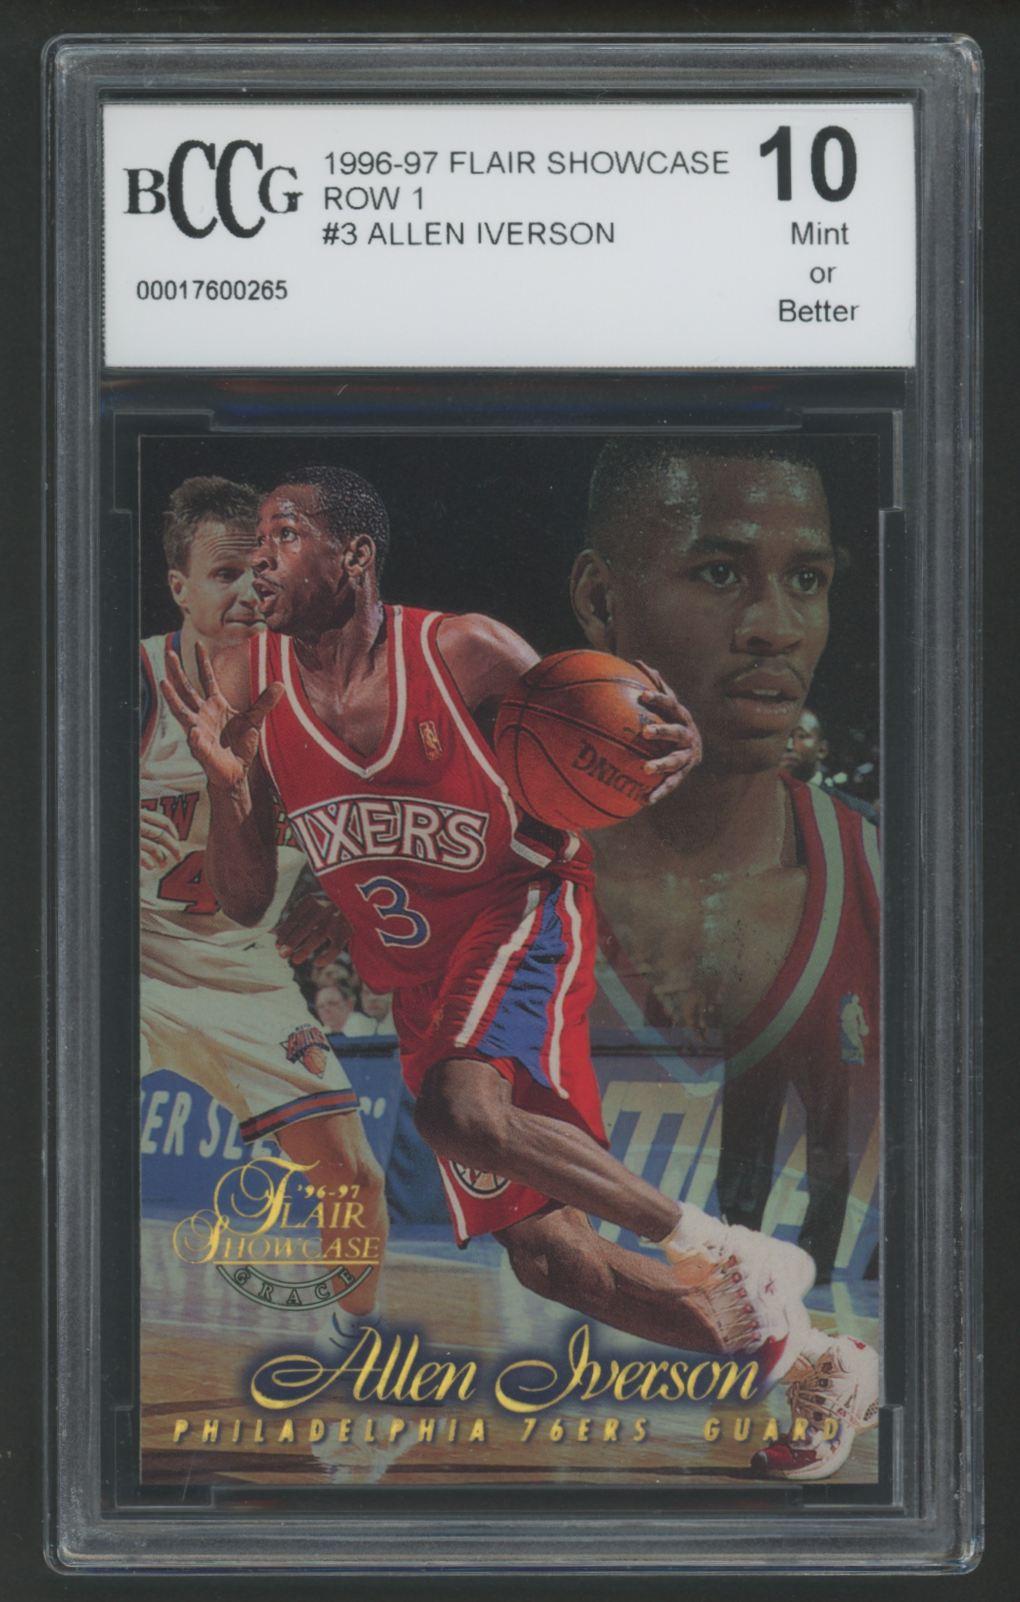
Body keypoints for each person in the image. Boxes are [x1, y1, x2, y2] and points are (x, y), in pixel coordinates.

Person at [163, 463, 872, 1482]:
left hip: (520, 912)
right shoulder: (245, 683)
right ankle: (814, 1362)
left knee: (459, 1108)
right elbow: (239, 900)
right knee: (556, 1263)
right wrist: (229, 787)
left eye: (281, 536)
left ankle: (718, 1247)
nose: (258, 558)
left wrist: (668, 749)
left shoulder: (461, 650)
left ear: (353, 557)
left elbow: (609, 737)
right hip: (420, 986)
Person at [571, 439, 881, 1477]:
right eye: (718, 572)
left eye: (809, 580)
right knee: (543, 1243)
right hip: (545, 1406)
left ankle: (806, 1335)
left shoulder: (894, 881)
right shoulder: (503, 863)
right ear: (601, 602)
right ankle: (791, 1325)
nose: (775, 626)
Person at [140, 476, 389, 1356]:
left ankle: (351, 1345)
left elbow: (380, 823)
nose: (249, 590)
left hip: (246, 976)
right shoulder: (127, 682)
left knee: (354, 1178)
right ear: (179, 588)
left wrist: (337, 891)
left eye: (261, 569)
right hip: (121, 969)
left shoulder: (320, 688)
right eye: (223, 574)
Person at [782, 708, 878, 822]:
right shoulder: (763, 805)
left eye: (801, 736)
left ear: (822, 750)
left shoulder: (860, 814)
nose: (788, 745)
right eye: (781, 736)